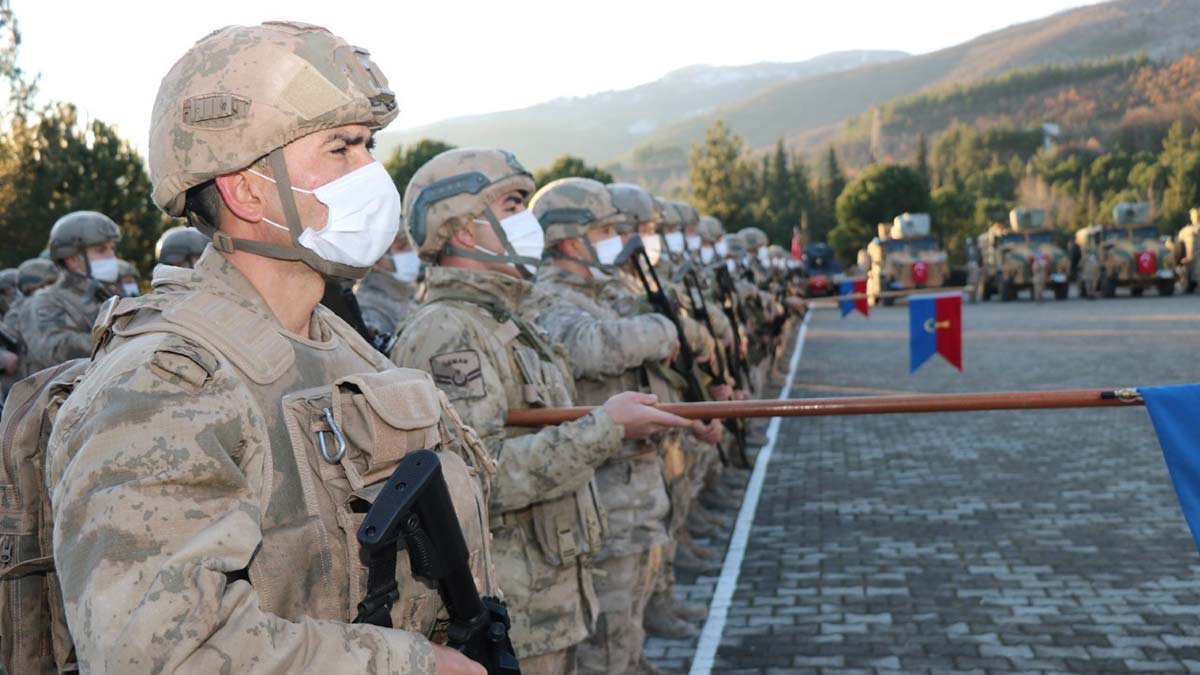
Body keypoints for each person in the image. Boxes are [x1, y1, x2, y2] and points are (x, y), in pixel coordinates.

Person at [44, 22, 496, 675]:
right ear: (246, 190)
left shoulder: (336, 342)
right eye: (341, 149)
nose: (372, 173)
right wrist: (412, 663)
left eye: (370, 146)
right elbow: (158, 655)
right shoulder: (164, 383)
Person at [391, 148, 699, 675]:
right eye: (511, 205)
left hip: (546, 600)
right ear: (463, 231)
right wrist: (608, 427)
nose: (528, 221)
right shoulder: (448, 332)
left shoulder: (500, 319)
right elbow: (478, 478)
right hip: (514, 612)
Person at [531, 177, 713, 674]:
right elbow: (594, 346)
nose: (621, 238)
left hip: (637, 474)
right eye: (609, 229)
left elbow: (679, 335)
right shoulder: (545, 295)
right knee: (606, 624)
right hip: (604, 480)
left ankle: (634, 662)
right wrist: (661, 330)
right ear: (572, 239)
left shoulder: (605, 288)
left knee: (631, 601)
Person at [18, 211, 120, 375]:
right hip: (62, 397)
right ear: (72, 259)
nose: (111, 256)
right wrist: (117, 340)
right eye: (101, 250)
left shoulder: (105, 296)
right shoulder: (44, 301)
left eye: (112, 249)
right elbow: (54, 349)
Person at [357, 230, 419, 349]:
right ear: (376, 259)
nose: (413, 254)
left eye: (413, 246)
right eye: (402, 246)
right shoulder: (367, 314)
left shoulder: (407, 304)